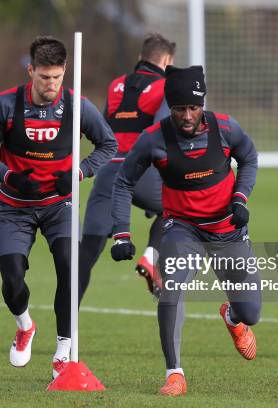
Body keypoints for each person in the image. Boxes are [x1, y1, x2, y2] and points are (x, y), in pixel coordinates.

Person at [111, 65, 261, 396]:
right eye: (180, 109)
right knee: (170, 289)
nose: (188, 115)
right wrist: (122, 233)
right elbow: (123, 182)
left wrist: (241, 198)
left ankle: (233, 317)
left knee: (252, 311)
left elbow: (249, 158)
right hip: (182, 229)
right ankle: (174, 373)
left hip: (228, 229)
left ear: (202, 104)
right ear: (170, 106)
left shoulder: (225, 128)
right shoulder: (154, 139)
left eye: (193, 107)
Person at [0, 36, 116, 379]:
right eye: (43, 77)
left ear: (65, 71)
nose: (50, 85)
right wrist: (9, 177)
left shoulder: (78, 105)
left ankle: (64, 348)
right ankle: (24, 326)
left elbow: (107, 144)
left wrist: (79, 172)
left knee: (70, 267)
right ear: (31, 71)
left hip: (59, 205)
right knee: (12, 279)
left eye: (56, 77)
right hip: (14, 207)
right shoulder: (5, 105)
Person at [79, 33, 175, 300]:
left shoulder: (116, 85)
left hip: (108, 170)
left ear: (140, 58)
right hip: (142, 170)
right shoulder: (167, 86)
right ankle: (151, 256)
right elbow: (162, 131)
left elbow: (102, 129)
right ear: (167, 60)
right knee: (176, 206)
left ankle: (65, 333)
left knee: (86, 253)